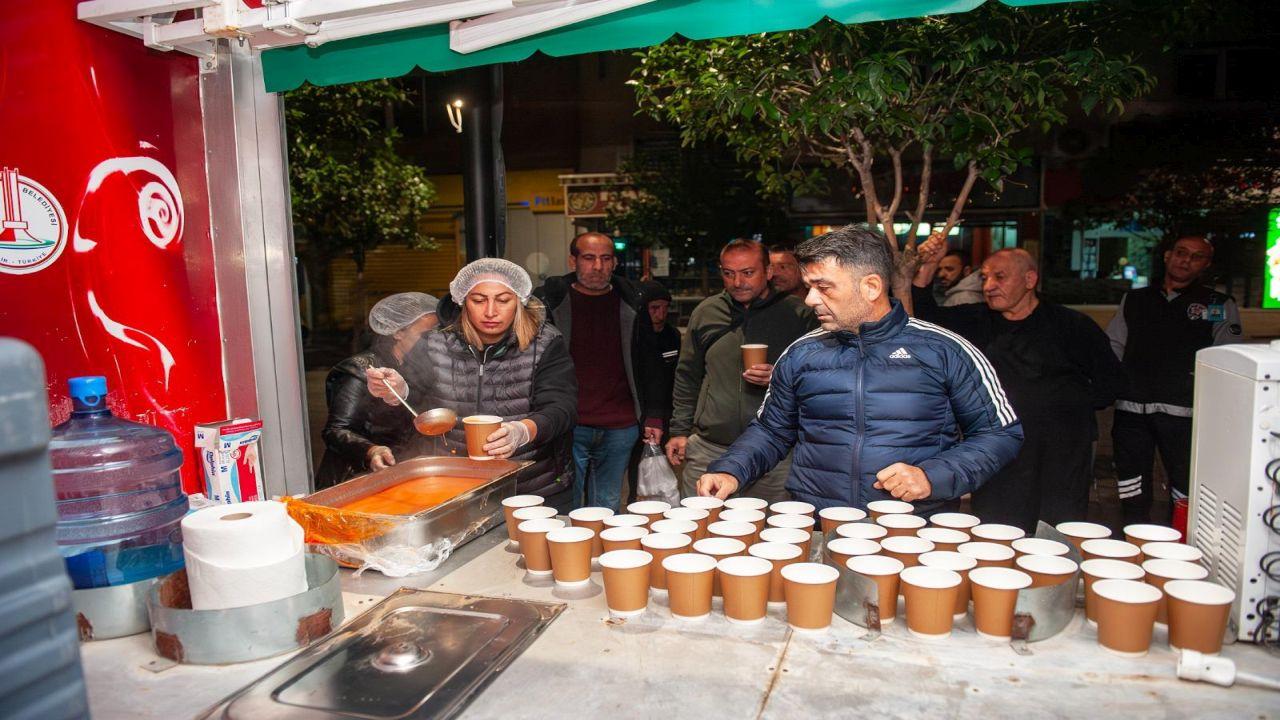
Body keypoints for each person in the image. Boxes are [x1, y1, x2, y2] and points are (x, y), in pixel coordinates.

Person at [697, 225, 1023, 515]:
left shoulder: (945, 350)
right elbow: (771, 431)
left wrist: (931, 477)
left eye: (823, 287)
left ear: (870, 287)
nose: (810, 299)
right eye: (809, 286)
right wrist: (732, 470)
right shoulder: (801, 353)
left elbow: (999, 434)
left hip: (909, 529)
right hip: (820, 522)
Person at [912, 237, 1126, 532]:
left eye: (1000, 277)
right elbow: (925, 318)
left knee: (1058, 527)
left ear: (1029, 280)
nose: (988, 286)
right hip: (999, 451)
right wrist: (929, 266)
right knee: (997, 527)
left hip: (1062, 450)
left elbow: (1111, 381)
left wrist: (1066, 405)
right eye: (985, 278)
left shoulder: (1071, 326)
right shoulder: (977, 321)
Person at [365, 259, 578, 506]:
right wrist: (398, 390)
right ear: (462, 301)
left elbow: (562, 407)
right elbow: (416, 396)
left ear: (519, 302)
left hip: (531, 485)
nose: (490, 311)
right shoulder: (436, 343)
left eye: (503, 300)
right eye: (478, 300)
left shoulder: (545, 343)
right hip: (456, 484)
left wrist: (523, 431)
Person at [666, 239, 817, 504]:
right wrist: (679, 430)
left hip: (774, 455)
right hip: (708, 449)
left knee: (771, 537)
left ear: (768, 272)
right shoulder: (706, 312)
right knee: (702, 531)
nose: (738, 282)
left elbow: (817, 381)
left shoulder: (798, 314)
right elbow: (687, 375)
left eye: (748, 273)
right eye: (728, 273)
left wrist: (779, 378)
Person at [1107, 235, 1243, 524]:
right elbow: (1114, 347)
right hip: (1132, 410)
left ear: (1205, 264)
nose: (1186, 260)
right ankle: (1132, 546)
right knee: (1132, 490)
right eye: (1181, 253)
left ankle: (1181, 553)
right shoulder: (1136, 299)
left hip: (1185, 414)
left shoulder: (1217, 303)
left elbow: (1226, 357)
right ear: (1168, 256)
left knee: (1185, 491)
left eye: (1197, 257)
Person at [532, 232, 668, 512]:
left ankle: (603, 555)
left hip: (620, 425)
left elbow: (650, 362)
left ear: (614, 263)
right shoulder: (550, 300)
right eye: (589, 258)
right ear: (573, 260)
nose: (597, 266)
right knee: (565, 505)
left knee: (607, 505)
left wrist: (654, 415)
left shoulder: (632, 300)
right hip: (569, 424)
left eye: (605, 259)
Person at [315, 292, 439, 490]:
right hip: (355, 478)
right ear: (398, 333)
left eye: (437, 333)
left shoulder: (420, 368)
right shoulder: (360, 371)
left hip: (400, 472)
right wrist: (370, 450)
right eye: (426, 335)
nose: (433, 341)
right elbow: (336, 430)